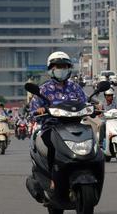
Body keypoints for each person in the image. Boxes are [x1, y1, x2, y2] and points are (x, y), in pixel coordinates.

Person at [29, 51, 87, 188]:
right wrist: (39, 110)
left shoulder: (75, 87)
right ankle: (52, 178)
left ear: (69, 69)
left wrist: (95, 106)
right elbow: (33, 110)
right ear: (51, 69)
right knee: (50, 146)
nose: (61, 70)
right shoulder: (43, 90)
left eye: (64, 66)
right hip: (52, 127)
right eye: (57, 67)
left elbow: (85, 102)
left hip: (75, 126)